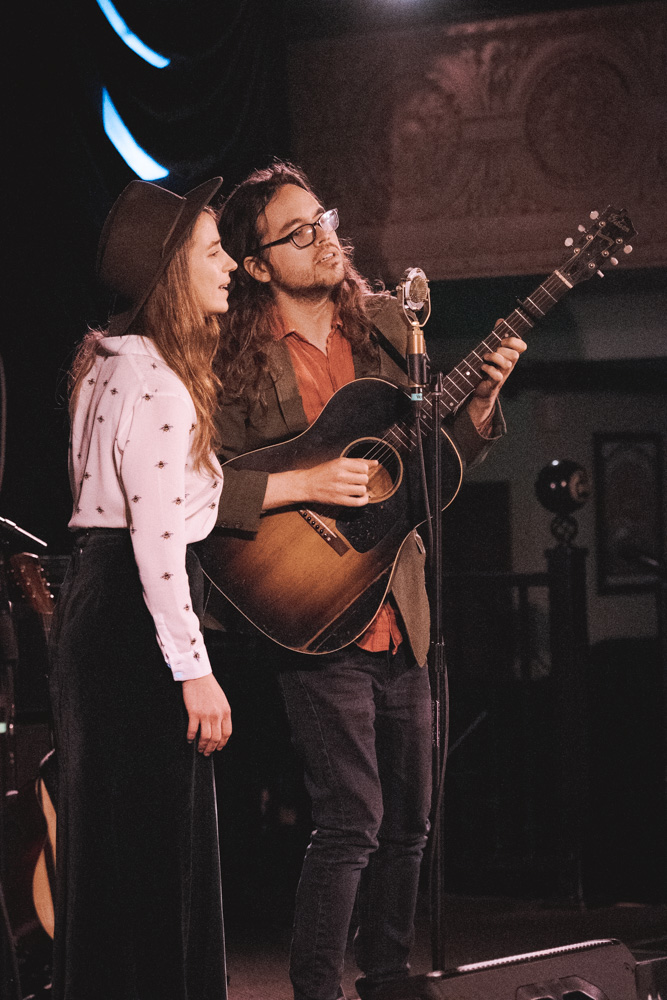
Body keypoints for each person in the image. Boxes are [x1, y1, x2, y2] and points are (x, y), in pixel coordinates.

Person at [212, 161, 526, 1000]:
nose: (324, 239)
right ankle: (316, 986)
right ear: (254, 264)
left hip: (403, 607)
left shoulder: (389, 329)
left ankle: (386, 975)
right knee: (351, 818)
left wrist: (483, 407)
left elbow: (431, 465)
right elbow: (204, 487)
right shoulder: (236, 363)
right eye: (298, 231)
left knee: (411, 823)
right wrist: (308, 485)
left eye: (324, 220)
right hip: (311, 609)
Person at [48, 177, 236, 1000]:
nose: (229, 264)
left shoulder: (102, 367)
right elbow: (157, 542)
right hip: (137, 615)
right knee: (158, 849)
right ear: (172, 276)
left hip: (94, 604)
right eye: (212, 251)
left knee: (108, 844)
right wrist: (193, 669)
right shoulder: (158, 381)